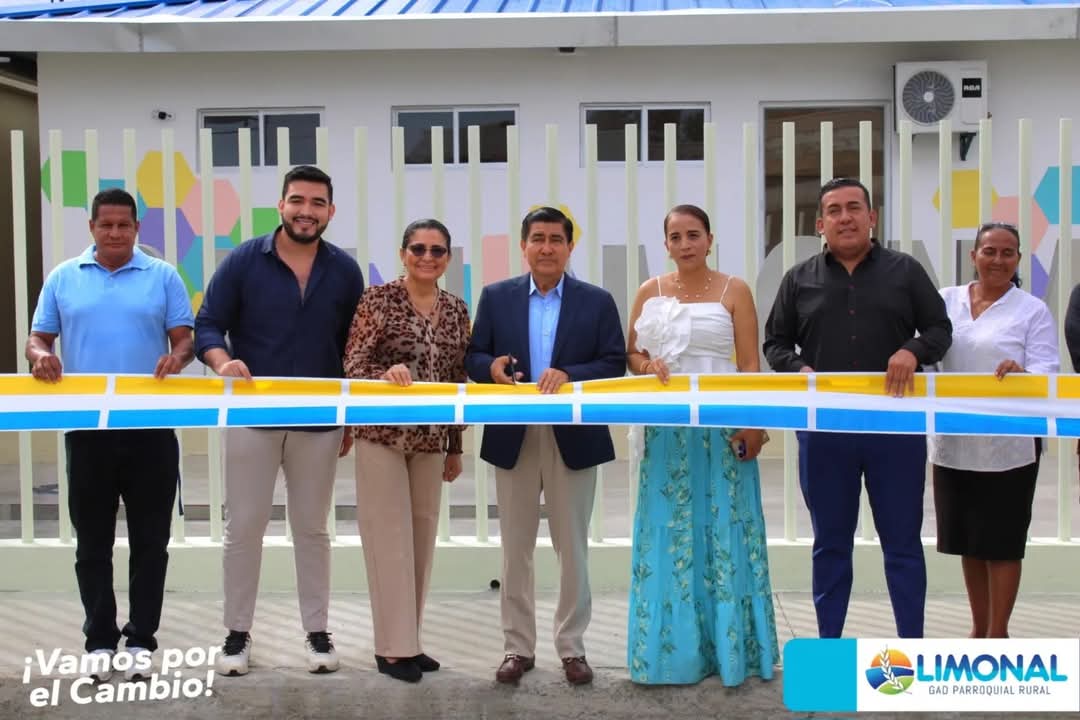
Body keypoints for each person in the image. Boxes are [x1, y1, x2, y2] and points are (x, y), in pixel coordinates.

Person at [763, 177, 952, 639]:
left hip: (895, 430)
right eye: (834, 210)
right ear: (820, 224)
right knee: (830, 545)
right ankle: (830, 650)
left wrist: (912, 350)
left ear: (872, 217)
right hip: (826, 432)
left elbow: (939, 329)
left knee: (902, 544)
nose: (845, 217)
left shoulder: (905, 271)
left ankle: (912, 651)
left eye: (854, 208)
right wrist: (797, 368)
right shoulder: (799, 279)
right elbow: (775, 343)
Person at [195, 165, 365, 676]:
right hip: (253, 416)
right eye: (297, 201)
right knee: (244, 528)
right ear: (281, 205)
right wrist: (222, 362)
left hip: (320, 421)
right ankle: (236, 635)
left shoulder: (345, 271)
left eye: (317, 203)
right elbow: (208, 324)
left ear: (330, 211)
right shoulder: (244, 260)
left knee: (311, 529)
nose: (306, 211)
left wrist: (349, 417)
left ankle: (317, 633)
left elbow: (354, 347)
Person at [26, 188, 194, 682]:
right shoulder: (63, 277)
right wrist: (41, 356)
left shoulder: (163, 276)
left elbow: (184, 339)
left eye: (124, 225)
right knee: (92, 544)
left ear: (137, 228)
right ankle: (99, 640)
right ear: (92, 228)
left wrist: (177, 358)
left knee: (151, 542)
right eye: (106, 225)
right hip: (88, 430)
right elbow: (38, 338)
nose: (115, 233)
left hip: (150, 430)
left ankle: (141, 640)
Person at [465, 206, 625, 686]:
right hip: (514, 433)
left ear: (570, 246)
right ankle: (517, 647)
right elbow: (474, 356)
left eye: (557, 239)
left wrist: (570, 374)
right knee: (515, 548)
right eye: (538, 238)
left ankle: (572, 648)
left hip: (573, 434)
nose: (547, 247)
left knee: (571, 547)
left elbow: (614, 362)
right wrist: (491, 367)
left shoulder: (596, 301)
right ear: (524, 246)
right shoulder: (496, 297)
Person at [625, 204, 778, 685]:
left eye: (693, 234)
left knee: (726, 525)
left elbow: (749, 364)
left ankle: (731, 652)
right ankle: (674, 654)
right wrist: (647, 366)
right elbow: (631, 354)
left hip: (721, 424)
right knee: (670, 528)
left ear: (710, 239)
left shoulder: (735, 290)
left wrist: (753, 425)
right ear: (665, 244)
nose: (685, 244)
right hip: (667, 428)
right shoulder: (649, 291)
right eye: (676, 236)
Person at [342, 219, 470, 683]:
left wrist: (455, 446)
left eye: (437, 250)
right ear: (403, 254)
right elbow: (354, 361)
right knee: (388, 540)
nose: (427, 257)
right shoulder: (378, 299)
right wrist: (385, 374)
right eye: (418, 248)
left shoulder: (456, 309)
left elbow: (457, 379)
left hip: (431, 439)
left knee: (420, 539)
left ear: (448, 258)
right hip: (382, 435)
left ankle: (409, 641)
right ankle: (391, 649)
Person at [929, 222, 1057, 638]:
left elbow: (1048, 371)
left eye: (1007, 253)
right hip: (956, 441)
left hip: (1009, 446)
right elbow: (927, 354)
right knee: (968, 540)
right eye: (989, 251)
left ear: (1018, 259)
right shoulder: (945, 301)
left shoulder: (1031, 310)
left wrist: (1024, 374)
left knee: (1002, 542)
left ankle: (998, 633)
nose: (997, 260)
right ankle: (978, 628)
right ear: (974, 256)